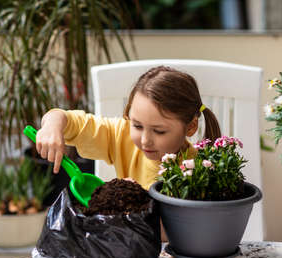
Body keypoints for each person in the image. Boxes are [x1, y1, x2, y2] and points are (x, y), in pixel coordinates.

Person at [36, 66, 222, 191]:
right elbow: (70, 121)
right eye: (137, 125)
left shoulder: (196, 171)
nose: (145, 140)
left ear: (190, 127)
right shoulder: (120, 135)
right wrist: (53, 125)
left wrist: (130, 198)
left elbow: (174, 231)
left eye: (159, 131)